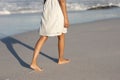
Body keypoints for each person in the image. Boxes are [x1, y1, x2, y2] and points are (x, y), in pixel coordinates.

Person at [30, 0, 70, 71]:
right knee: (60, 35)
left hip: (48, 10)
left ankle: (61, 58)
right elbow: (62, 1)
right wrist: (66, 18)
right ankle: (34, 62)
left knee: (45, 36)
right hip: (56, 11)